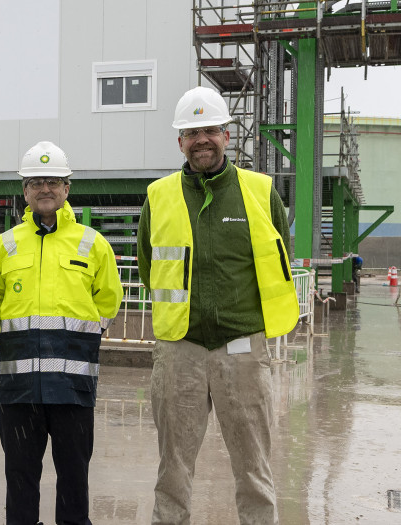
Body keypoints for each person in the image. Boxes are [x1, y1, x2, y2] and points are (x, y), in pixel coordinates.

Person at [138, 86, 299, 525]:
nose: (201, 139)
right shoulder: (158, 196)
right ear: (180, 142)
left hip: (243, 348)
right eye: (191, 132)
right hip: (179, 348)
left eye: (210, 129)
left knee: (253, 469)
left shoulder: (261, 193)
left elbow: (279, 255)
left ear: (228, 135)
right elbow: (149, 264)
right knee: (173, 470)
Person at [0, 141, 124, 525]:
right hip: (19, 389)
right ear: (24, 190)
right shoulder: (2, 247)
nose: (45, 189)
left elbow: (108, 301)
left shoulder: (93, 245)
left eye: (54, 181)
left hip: (73, 387)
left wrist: (83, 338)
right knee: (20, 480)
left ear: (67, 189)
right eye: (36, 182)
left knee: (75, 480)